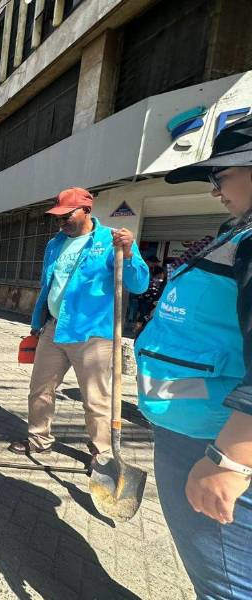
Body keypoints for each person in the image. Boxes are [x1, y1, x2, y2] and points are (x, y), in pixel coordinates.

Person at [135, 115, 252, 598]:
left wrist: (231, 460)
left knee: (225, 585)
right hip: (190, 424)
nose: (214, 191)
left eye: (220, 176)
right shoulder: (236, 231)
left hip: (215, 440)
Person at [8, 187, 149, 465]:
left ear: (86, 210)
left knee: (96, 399)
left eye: (66, 216)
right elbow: (49, 286)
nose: (61, 222)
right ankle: (39, 439)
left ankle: (103, 453)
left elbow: (139, 284)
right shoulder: (55, 244)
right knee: (40, 389)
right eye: (57, 217)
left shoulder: (112, 240)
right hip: (54, 327)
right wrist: (38, 322)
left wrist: (129, 254)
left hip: (92, 334)